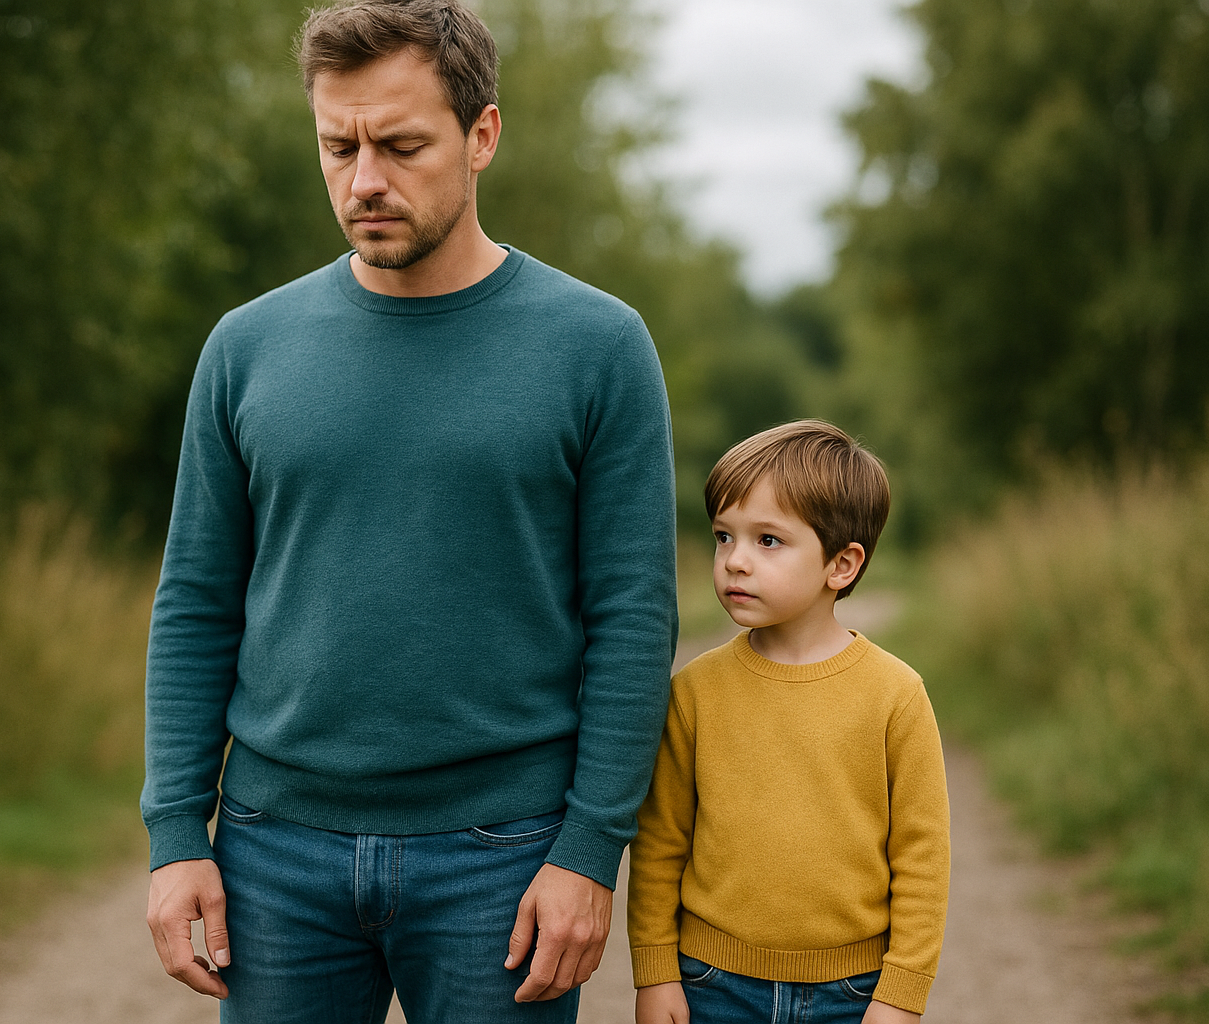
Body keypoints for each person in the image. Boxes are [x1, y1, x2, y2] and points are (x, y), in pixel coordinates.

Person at [139, 2, 677, 1021]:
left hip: (506, 859)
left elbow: (634, 616)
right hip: (272, 852)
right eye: (337, 145)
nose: (365, 179)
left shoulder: (598, 345)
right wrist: (176, 833)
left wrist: (590, 850)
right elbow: (195, 603)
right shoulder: (245, 348)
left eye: (401, 143)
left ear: (482, 136)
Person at [627, 420, 949, 1024]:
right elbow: (660, 843)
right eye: (724, 537)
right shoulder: (695, 691)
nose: (735, 562)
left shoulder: (895, 695)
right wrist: (656, 972)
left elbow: (923, 857)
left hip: (850, 993)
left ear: (841, 565)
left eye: (767, 540)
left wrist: (900, 995)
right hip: (712, 984)